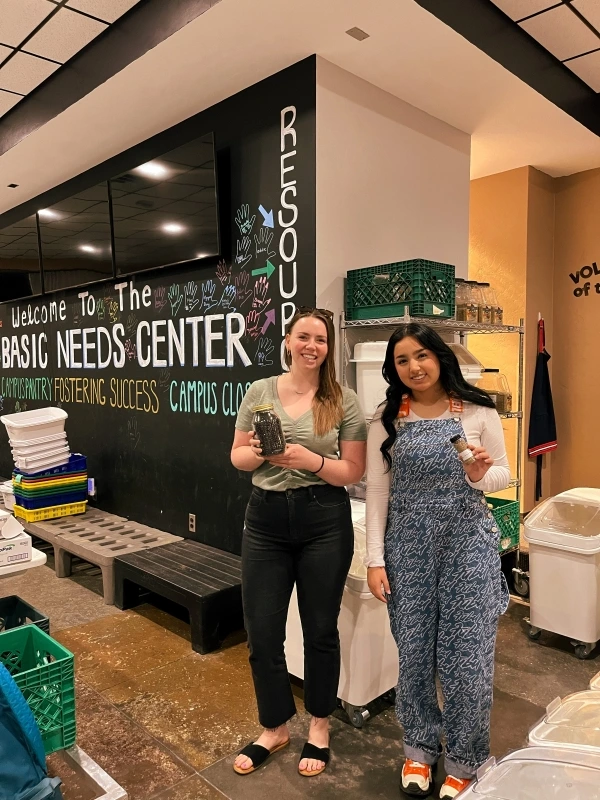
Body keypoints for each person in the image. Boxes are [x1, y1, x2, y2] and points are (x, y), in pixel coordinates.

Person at [366, 323, 510, 800]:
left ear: (441, 356)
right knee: (413, 654)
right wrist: (374, 559)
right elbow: (378, 492)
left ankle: (466, 760)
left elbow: (503, 475)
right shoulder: (386, 417)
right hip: (406, 547)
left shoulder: (478, 409)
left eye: (422, 355)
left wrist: (477, 474)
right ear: (394, 368)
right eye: (403, 360)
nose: (414, 367)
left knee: (467, 657)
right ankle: (419, 749)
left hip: (467, 543)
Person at [231, 307, 367, 778]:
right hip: (266, 520)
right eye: (303, 337)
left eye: (321, 340)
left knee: (320, 631)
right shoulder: (259, 392)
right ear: (287, 341)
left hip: (324, 520)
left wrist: (307, 459)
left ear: (330, 348)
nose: (312, 346)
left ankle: (320, 724)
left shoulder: (343, 400)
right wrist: (258, 452)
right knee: (263, 632)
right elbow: (237, 457)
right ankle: (274, 726)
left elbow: (353, 471)